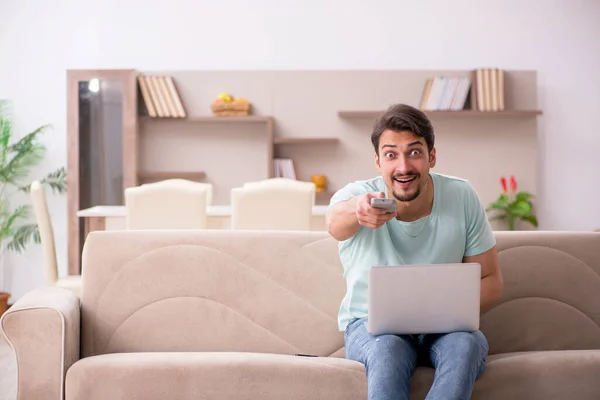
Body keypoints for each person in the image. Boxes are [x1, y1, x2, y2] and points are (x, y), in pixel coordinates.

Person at [326, 103, 503, 400]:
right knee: (388, 349)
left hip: (446, 329)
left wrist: (447, 308)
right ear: (378, 161)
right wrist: (358, 212)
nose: (403, 167)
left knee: (466, 345)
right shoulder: (356, 198)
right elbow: (334, 223)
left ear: (432, 156)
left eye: (415, 152)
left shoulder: (461, 196)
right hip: (371, 329)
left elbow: (491, 280)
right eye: (391, 154)